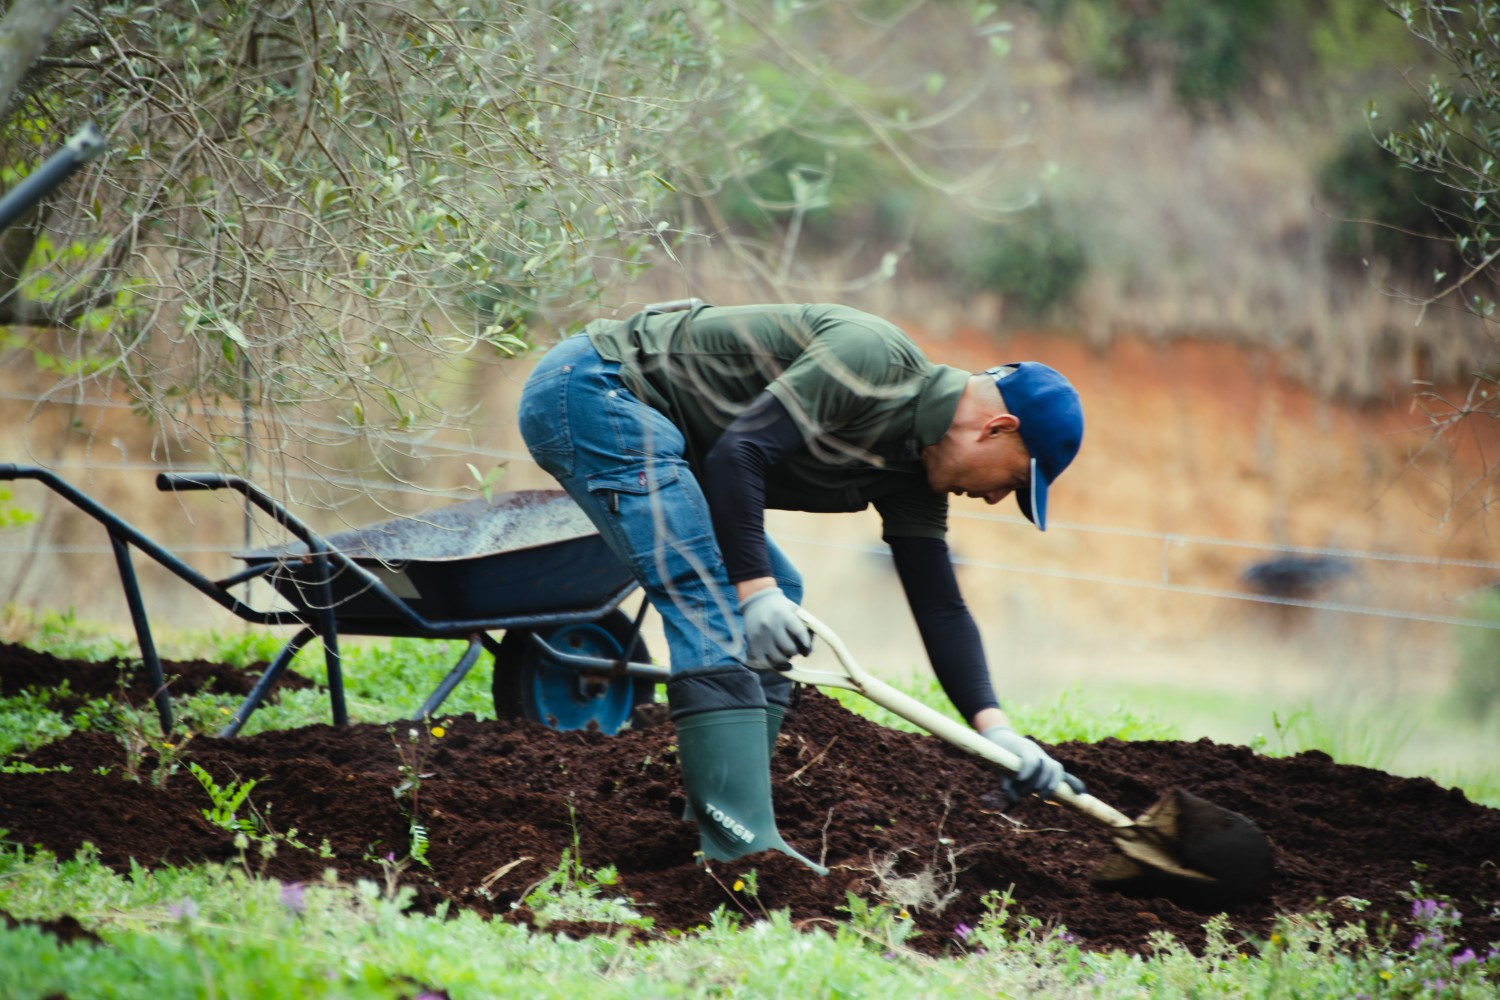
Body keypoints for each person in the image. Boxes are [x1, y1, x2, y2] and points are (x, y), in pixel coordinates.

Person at [516, 301, 1085, 875]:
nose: (993, 499)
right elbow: (741, 454)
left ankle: (715, 820)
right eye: (1011, 481)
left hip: (663, 434)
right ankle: (741, 850)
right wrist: (754, 592)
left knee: (778, 584)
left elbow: (940, 606)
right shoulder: (872, 358)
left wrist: (998, 729)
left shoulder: (914, 470)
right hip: (598, 388)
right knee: (717, 593)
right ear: (998, 428)